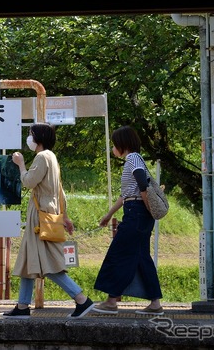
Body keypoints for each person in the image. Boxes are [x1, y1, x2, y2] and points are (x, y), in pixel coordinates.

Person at [2, 123, 95, 319]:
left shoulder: (42, 157)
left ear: (38, 138)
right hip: (48, 214)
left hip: (40, 216)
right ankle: (22, 306)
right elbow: (59, 190)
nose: (29, 137)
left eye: (30, 134)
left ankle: (81, 299)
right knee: (28, 261)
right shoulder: (52, 157)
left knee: (48, 263)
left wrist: (20, 164)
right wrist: (65, 215)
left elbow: (28, 181)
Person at [92, 125, 164, 316]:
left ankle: (111, 301)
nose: (113, 148)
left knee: (119, 253)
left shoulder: (132, 158)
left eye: (115, 144)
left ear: (123, 144)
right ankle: (155, 303)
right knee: (141, 257)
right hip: (137, 212)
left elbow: (141, 183)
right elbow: (125, 196)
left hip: (137, 213)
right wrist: (108, 215)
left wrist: (148, 208)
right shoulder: (134, 159)